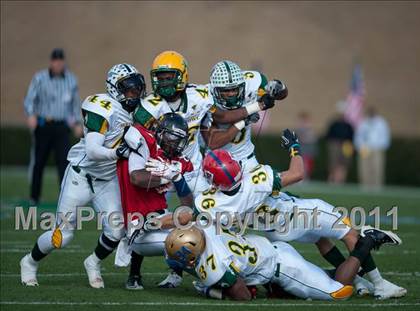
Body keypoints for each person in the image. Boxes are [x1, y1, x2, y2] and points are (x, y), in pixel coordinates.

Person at [164, 129, 406, 299]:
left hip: (279, 235)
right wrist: (294, 148)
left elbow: (188, 214)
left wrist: (153, 220)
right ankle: (378, 283)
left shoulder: (211, 203)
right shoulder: (256, 180)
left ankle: (358, 280)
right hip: (301, 214)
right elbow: (297, 173)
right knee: (349, 233)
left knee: (321, 239)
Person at [20, 63, 146, 288]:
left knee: (116, 230)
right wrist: (118, 152)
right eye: (129, 89)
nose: (134, 94)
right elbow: (93, 150)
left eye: (137, 89)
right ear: (115, 89)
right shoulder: (102, 106)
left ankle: (93, 262)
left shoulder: (139, 109)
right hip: (82, 176)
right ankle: (29, 262)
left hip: (107, 180)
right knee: (63, 236)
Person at [132, 51, 276, 198]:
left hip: (192, 169)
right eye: (160, 78)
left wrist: (258, 106)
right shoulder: (148, 107)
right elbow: (136, 136)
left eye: (168, 78)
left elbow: (224, 116)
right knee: (158, 214)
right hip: (161, 168)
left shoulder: (199, 96)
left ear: (183, 75)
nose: (164, 83)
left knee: (206, 213)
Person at [164, 224, 401, 301]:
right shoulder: (203, 228)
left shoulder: (212, 266)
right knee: (305, 283)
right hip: (272, 252)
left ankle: (368, 240)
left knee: (340, 291)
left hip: (284, 268)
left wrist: (211, 291)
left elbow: (244, 296)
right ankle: (349, 275)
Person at [115, 113, 194, 290]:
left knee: (191, 223)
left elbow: (189, 205)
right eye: (172, 137)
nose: (175, 143)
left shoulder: (180, 161)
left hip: (156, 213)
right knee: (185, 239)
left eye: (179, 139)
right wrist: (166, 177)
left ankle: (176, 275)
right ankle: (134, 274)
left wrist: (176, 176)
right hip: (135, 213)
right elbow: (136, 178)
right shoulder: (146, 145)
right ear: (160, 133)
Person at [201, 60, 288, 173]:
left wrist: (278, 89)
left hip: (247, 160)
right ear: (214, 89)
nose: (231, 94)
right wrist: (247, 117)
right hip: (216, 162)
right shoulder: (204, 98)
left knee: (269, 189)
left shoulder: (252, 82)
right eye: (226, 90)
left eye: (235, 89)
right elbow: (215, 140)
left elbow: (283, 94)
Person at [24, 48, 82, 205]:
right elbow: (30, 99)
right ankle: (34, 197)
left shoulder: (71, 80)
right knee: (39, 161)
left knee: (63, 162)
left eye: (61, 61)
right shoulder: (40, 78)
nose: (58, 64)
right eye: (55, 61)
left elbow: (75, 104)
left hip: (62, 127)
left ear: (63, 62)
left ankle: (64, 197)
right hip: (44, 125)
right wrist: (31, 114)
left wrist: (77, 123)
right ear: (51, 62)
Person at [354, 107, 391, 189]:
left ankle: (377, 186)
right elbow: (358, 135)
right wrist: (359, 146)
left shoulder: (381, 122)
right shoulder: (363, 122)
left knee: (377, 167)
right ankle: (365, 185)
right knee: (364, 167)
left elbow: (385, 135)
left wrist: (381, 146)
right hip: (364, 148)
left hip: (376, 148)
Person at [325, 104, 354, 184]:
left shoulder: (348, 125)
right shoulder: (334, 124)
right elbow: (328, 135)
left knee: (343, 164)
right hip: (335, 145)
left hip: (346, 146)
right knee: (333, 163)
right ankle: (331, 180)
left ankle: (340, 181)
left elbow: (352, 137)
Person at [295, 111, 317, 179]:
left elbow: (311, 138)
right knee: (301, 163)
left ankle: (305, 177)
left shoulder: (308, 128)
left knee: (307, 163)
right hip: (302, 147)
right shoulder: (301, 128)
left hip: (307, 148)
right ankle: (302, 177)